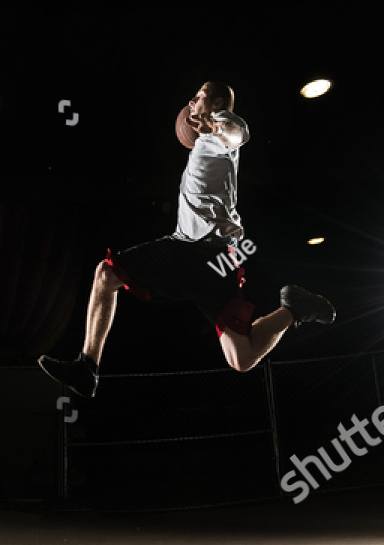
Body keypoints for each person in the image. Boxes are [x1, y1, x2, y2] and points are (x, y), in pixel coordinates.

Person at [39, 81, 335, 399]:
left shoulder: (228, 126)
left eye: (198, 97)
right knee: (107, 274)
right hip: (182, 246)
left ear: (218, 102)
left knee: (242, 358)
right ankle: (87, 368)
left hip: (216, 254)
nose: (190, 103)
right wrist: (205, 129)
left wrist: (214, 125)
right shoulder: (200, 147)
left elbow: (236, 135)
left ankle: (295, 309)